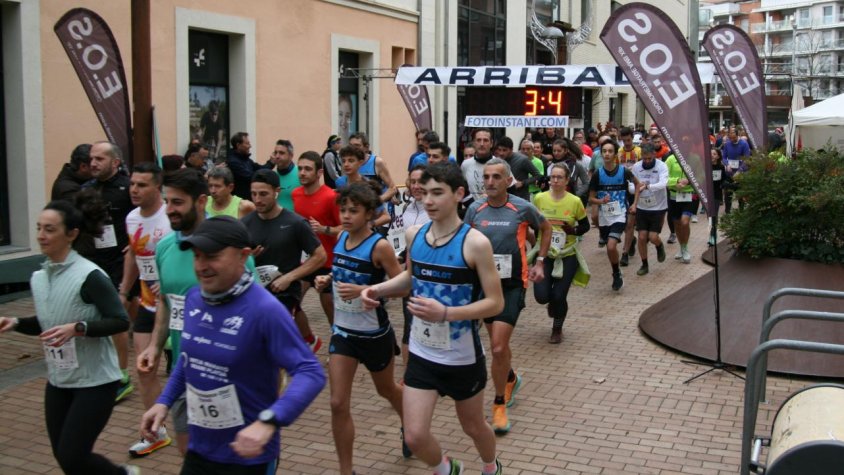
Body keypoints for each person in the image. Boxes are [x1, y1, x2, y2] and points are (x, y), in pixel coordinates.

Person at [140, 216, 326, 474]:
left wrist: (270, 421)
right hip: (200, 449)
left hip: (247, 456)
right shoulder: (194, 298)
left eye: (212, 256)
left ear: (243, 256)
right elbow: (188, 358)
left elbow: (310, 372)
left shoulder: (265, 310)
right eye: (197, 256)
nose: (201, 266)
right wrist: (164, 401)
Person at [360, 163, 505, 475]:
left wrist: (446, 313)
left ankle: (491, 467)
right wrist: (376, 289)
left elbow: (495, 303)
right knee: (413, 435)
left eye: (437, 193)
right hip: (423, 355)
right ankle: (447, 469)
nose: (428, 200)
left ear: (459, 195)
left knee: (474, 427)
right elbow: (411, 280)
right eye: (424, 193)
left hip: (462, 358)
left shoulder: (475, 243)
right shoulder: (415, 236)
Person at [0, 197, 137, 475]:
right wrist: (14, 322)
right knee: (65, 458)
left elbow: (120, 321)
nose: (41, 235)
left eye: (50, 229)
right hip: (59, 379)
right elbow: (49, 323)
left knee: (74, 456)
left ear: (71, 234)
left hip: (96, 381)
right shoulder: (39, 278)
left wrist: (78, 328)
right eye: (39, 228)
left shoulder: (89, 275)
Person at [137, 168, 257, 457]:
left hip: (227, 377)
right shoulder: (165, 247)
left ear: (201, 201)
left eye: (177, 203)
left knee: (231, 460)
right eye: (167, 202)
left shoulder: (229, 246)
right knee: (191, 458)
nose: (169, 210)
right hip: (184, 368)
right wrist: (155, 345)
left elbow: (253, 308)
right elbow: (166, 301)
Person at [314, 183, 407, 474]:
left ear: (369, 214)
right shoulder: (341, 238)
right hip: (343, 334)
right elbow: (342, 273)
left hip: (373, 334)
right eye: (342, 209)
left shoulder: (379, 246)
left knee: (387, 390)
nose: (345, 216)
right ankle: (346, 469)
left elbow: (402, 286)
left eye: (353, 211)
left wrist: (368, 290)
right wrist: (327, 280)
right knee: (337, 402)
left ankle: (411, 424)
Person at [464, 158, 550, 434]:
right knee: (495, 344)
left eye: (496, 177)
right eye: (486, 177)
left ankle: (499, 404)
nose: (490, 182)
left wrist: (540, 261)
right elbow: (463, 241)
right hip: (483, 285)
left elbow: (545, 228)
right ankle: (510, 377)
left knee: (499, 348)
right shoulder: (474, 210)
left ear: (508, 180)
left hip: (512, 285)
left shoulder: (522, 207)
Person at [118, 162, 175, 457]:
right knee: (144, 367)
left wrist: (168, 284)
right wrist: (124, 290)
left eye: (142, 185)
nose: (134, 190)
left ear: (157, 188)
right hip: (146, 304)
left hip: (175, 306)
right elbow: (133, 254)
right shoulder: (130, 218)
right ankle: (155, 432)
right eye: (132, 184)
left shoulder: (171, 218)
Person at [243, 169, 327, 352]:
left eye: (263, 194)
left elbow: (320, 256)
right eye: (254, 194)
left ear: (276, 192)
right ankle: (308, 341)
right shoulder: (245, 223)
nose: (257, 199)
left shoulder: (295, 223)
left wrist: (289, 277)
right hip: (255, 292)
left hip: (285, 294)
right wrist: (247, 258)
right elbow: (236, 258)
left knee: (273, 345)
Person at [80, 141, 134, 402]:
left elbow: (142, 217)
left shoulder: (128, 188)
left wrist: (134, 246)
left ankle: (122, 376)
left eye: (100, 159)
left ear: (115, 162)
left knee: (118, 318)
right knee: (114, 315)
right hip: (92, 260)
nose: (93, 163)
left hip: (121, 261)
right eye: (92, 158)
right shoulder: (86, 189)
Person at [533, 163, 591, 343]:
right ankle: (553, 303)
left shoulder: (574, 201)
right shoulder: (539, 199)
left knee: (559, 295)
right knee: (542, 297)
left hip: (567, 254)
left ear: (567, 180)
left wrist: (572, 230)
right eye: (552, 177)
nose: (555, 180)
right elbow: (534, 225)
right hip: (545, 253)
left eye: (559, 177)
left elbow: (585, 226)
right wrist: (535, 246)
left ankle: (557, 329)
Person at [292, 151, 342, 327]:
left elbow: (345, 228)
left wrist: (324, 229)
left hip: (328, 262)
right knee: (291, 305)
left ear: (319, 173)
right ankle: (308, 341)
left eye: (307, 169)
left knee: (330, 311)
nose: (302, 173)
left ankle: (338, 345)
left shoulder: (330, 197)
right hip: (305, 262)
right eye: (300, 169)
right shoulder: (295, 194)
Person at [588, 141, 640, 291]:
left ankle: (616, 274)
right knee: (610, 248)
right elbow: (591, 198)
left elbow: (638, 185)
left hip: (620, 214)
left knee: (611, 246)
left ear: (615, 154)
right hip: (605, 216)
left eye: (610, 151)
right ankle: (616, 270)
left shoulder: (624, 172)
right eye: (604, 151)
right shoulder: (598, 174)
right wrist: (600, 201)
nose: (607, 154)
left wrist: (634, 204)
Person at [398, 165, 431, 365]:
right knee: (409, 324)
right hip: (410, 276)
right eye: (412, 181)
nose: (416, 186)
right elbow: (404, 244)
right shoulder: (406, 209)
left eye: (421, 181)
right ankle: (409, 376)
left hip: (432, 278)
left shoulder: (435, 210)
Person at [629, 144, 669, 276]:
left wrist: (647, 186)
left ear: (654, 156)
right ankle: (644, 264)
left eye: (649, 159)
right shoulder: (636, 167)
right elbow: (631, 186)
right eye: (644, 159)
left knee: (653, 237)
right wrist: (637, 188)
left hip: (658, 206)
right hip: (642, 206)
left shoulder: (662, 166)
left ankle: (659, 246)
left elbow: (663, 184)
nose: (646, 161)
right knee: (641, 237)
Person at [335, 146, 391, 228]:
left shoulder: (368, 185)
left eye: (351, 161)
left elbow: (386, 217)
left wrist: (369, 225)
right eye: (343, 161)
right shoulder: (339, 182)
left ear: (360, 163)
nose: (346, 164)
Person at [346, 132, 398, 205]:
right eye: (350, 146)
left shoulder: (377, 162)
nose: (353, 149)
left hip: (378, 210)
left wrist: (377, 202)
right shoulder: (347, 164)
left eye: (357, 146)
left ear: (366, 147)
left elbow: (392, 188)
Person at [665, 151, 698, 264]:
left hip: (689, 195)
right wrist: (676, 182)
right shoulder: (670, 159)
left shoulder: (695, 158)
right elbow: (664, 178)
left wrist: (689, 181)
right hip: (674, 196)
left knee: (684, 222)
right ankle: (682, 247)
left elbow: (701, 176)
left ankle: (685, 248)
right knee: (677, 224)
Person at [618, 127, 642, 268]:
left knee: (630, 223)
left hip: (635, 189)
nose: (626, 143)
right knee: (623, 224)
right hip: (622, 191)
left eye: (628, 140)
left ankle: (625, 253)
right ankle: (631, 239)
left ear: (632, 138)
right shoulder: (618, 153)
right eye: (624, 140)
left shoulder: (638, 152)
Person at [494, 136, 541, 201]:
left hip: (521, 199)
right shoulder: (498, 160)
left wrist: (523, 183)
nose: (501, 153)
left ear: (511, 149)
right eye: (499, 150)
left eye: (504, 150)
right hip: (504, 199)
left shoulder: (523, 160)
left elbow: (538, 176)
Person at [226, 132, 271, 200]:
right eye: (247, 143)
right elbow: (250, 176)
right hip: (240, 202)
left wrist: (271, 162)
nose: (250, 146)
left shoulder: (246, 160)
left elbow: (261, 169)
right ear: (238, 145)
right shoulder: (233, 162)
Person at [461, 128, 494, 203]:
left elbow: (509, 190)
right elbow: (462, 189)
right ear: (474, 143)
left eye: (485, 140)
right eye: (478, 140)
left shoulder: (500, 164)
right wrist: (473, 205)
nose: (482, 144)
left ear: (491, 143)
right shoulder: (466, 164)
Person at [721, 130, 750, 214]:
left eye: (734, 138)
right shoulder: (727, 144)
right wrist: (726, 164)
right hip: (729, 173)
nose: (732, 139)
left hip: (741, 173)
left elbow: (746, 159)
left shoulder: (744, 144)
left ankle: (741, 211)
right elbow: (723, 157)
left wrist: (740, 171)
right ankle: (727, 212)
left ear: (738, 136)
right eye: (730, 138)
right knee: (727, 194)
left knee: (740, 194)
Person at [269, 139, 300, 211]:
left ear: (291, 155)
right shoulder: (272, 176)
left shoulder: (301, 174)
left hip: (296, 220)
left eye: (281, 153)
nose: (277, 156)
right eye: (275, 153)